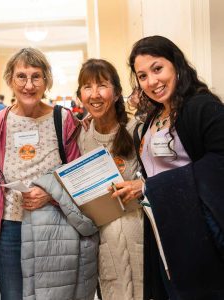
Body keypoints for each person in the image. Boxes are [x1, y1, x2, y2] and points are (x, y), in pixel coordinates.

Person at [113, 35, 224, 299]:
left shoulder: (202, 106)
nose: (151, 82)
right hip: (165, 231)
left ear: (176, 64)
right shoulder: (153, 117)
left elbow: (219, 161)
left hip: (199, 235)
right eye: (142, 75)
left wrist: (150, 186)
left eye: (157, 69)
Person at [0, 48, 98, 300]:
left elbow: (77, 174)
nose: (28, 85)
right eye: (21, 77)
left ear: (46, 81)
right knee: (13, 295)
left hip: (54, 223)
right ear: (10, 80)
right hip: (10, 228)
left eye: (36, 76)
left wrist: (50, 194)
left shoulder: (63, 119)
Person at [76, 58, 144, 300]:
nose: (95, 94)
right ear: (80, 96)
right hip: (101, 246)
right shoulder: (80, 137)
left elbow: (158, 179)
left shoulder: (138, 129)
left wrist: (142, 186)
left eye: (102, 85)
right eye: (87, 87)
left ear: (116, 93)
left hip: (141, 239)